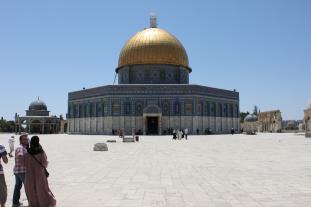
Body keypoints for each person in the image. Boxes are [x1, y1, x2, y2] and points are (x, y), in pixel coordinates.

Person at [24, 136, 56, 207]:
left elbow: (24, 163)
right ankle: (44, 203)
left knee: (32, 190)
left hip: (30, 175)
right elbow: (45, 163)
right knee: (42, 189)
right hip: (40, 174)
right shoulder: (41, 151)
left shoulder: (27, 152)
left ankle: (34, 204)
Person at [12, 134, 29, 207]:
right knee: (28, 187)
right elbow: (20, 156)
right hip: (22, 171)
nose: (26, 140)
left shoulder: (23, 147)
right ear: (20, 140)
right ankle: (31, 203)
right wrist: (26, 164)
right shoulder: (20, 147)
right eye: (24, 139)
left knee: (17, 186)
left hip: (17, 171)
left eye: (27, 139)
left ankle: (15, 203)